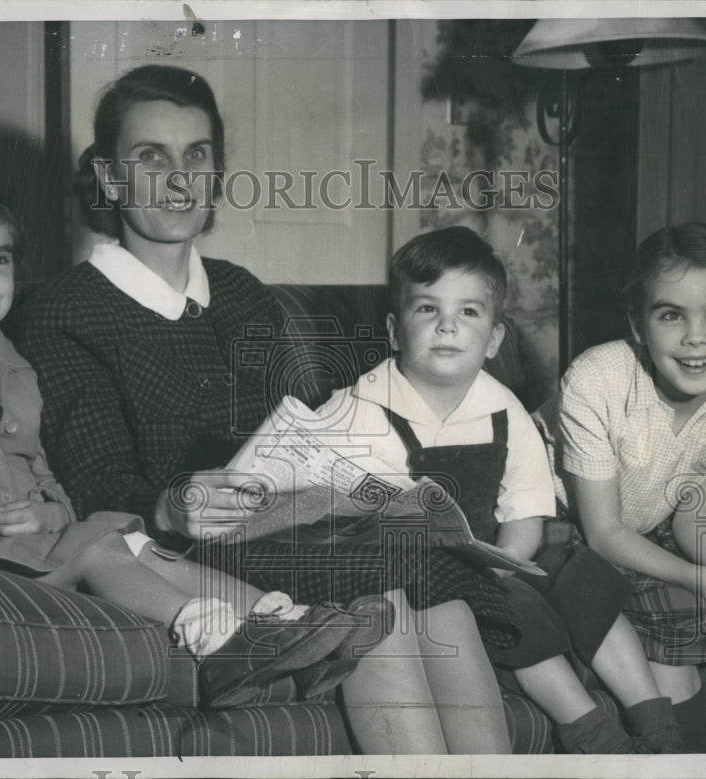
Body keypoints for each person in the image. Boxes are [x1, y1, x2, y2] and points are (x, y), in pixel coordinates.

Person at [16, 65, 511, 754]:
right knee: (377, 594)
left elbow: (303, 425)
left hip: (292, 522)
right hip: (183, 546)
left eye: (198, 156)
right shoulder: (62, 310)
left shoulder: (243, 292)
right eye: (150, 157)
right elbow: (94, 480)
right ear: (108, 177)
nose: (179, 178)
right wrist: (168, 504)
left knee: (435, 577)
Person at [0, 177, 388, 710]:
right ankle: (213, 639)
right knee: (101, 545)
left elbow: (48, 482)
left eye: (0, 259)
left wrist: (46, 515)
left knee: (138, 543)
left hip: (22, 553)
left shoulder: (16, 367)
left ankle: (290, 626)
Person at [288, 226, 683, 753]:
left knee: (577, 572)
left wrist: (503, 561)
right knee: (511, 610)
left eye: (469, 312)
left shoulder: (505, 409)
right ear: (393, 328)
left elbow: (526, 508)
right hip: (411, 575)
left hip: (494, 555)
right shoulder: (360, 407)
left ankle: (656, 721)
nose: (448, 325)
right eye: (427, 309)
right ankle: (591, 730)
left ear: (495, 337)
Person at [540, 222, 706, 752]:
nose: (696, 337)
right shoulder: (599, 378)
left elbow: (696, 518)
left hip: (645, 533)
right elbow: (603, 533)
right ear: (637, 323)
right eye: (672, 314)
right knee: (675, 660)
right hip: (567, 537)